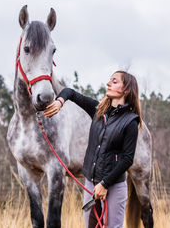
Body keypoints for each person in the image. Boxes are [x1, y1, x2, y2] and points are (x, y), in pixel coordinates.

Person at [43, 70, 142, 228]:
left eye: (114, 81)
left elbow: (127, 159)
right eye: (110, 80)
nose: (108, 83)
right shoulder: (98, 110)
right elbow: (71, 93)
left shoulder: (130, 122)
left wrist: (104, 184)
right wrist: (59, 102)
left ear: (126, 90)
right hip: (90, 183)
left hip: (114, 186)